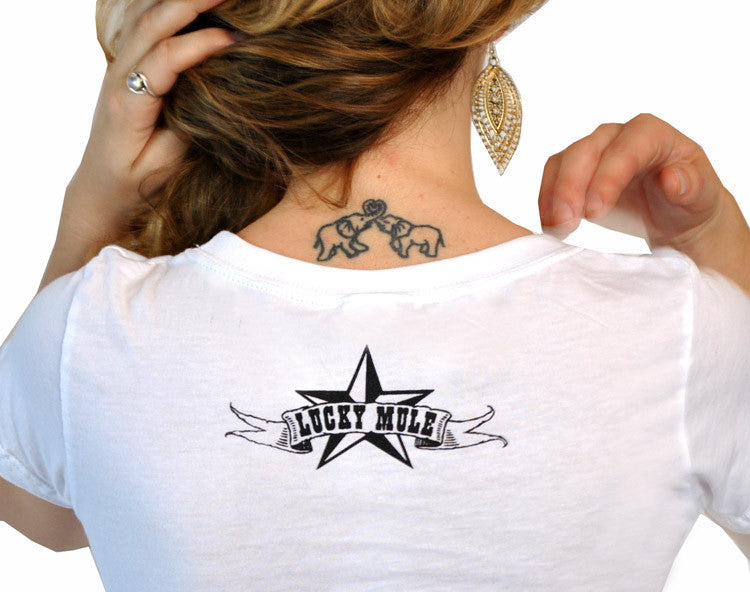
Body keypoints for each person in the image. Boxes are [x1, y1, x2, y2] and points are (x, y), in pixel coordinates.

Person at [1, 0, 749, 590]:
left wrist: (92, 210)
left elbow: (41, 509)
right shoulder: (678, 329)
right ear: (486, 27)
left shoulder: (90, 328)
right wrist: (715, 242)